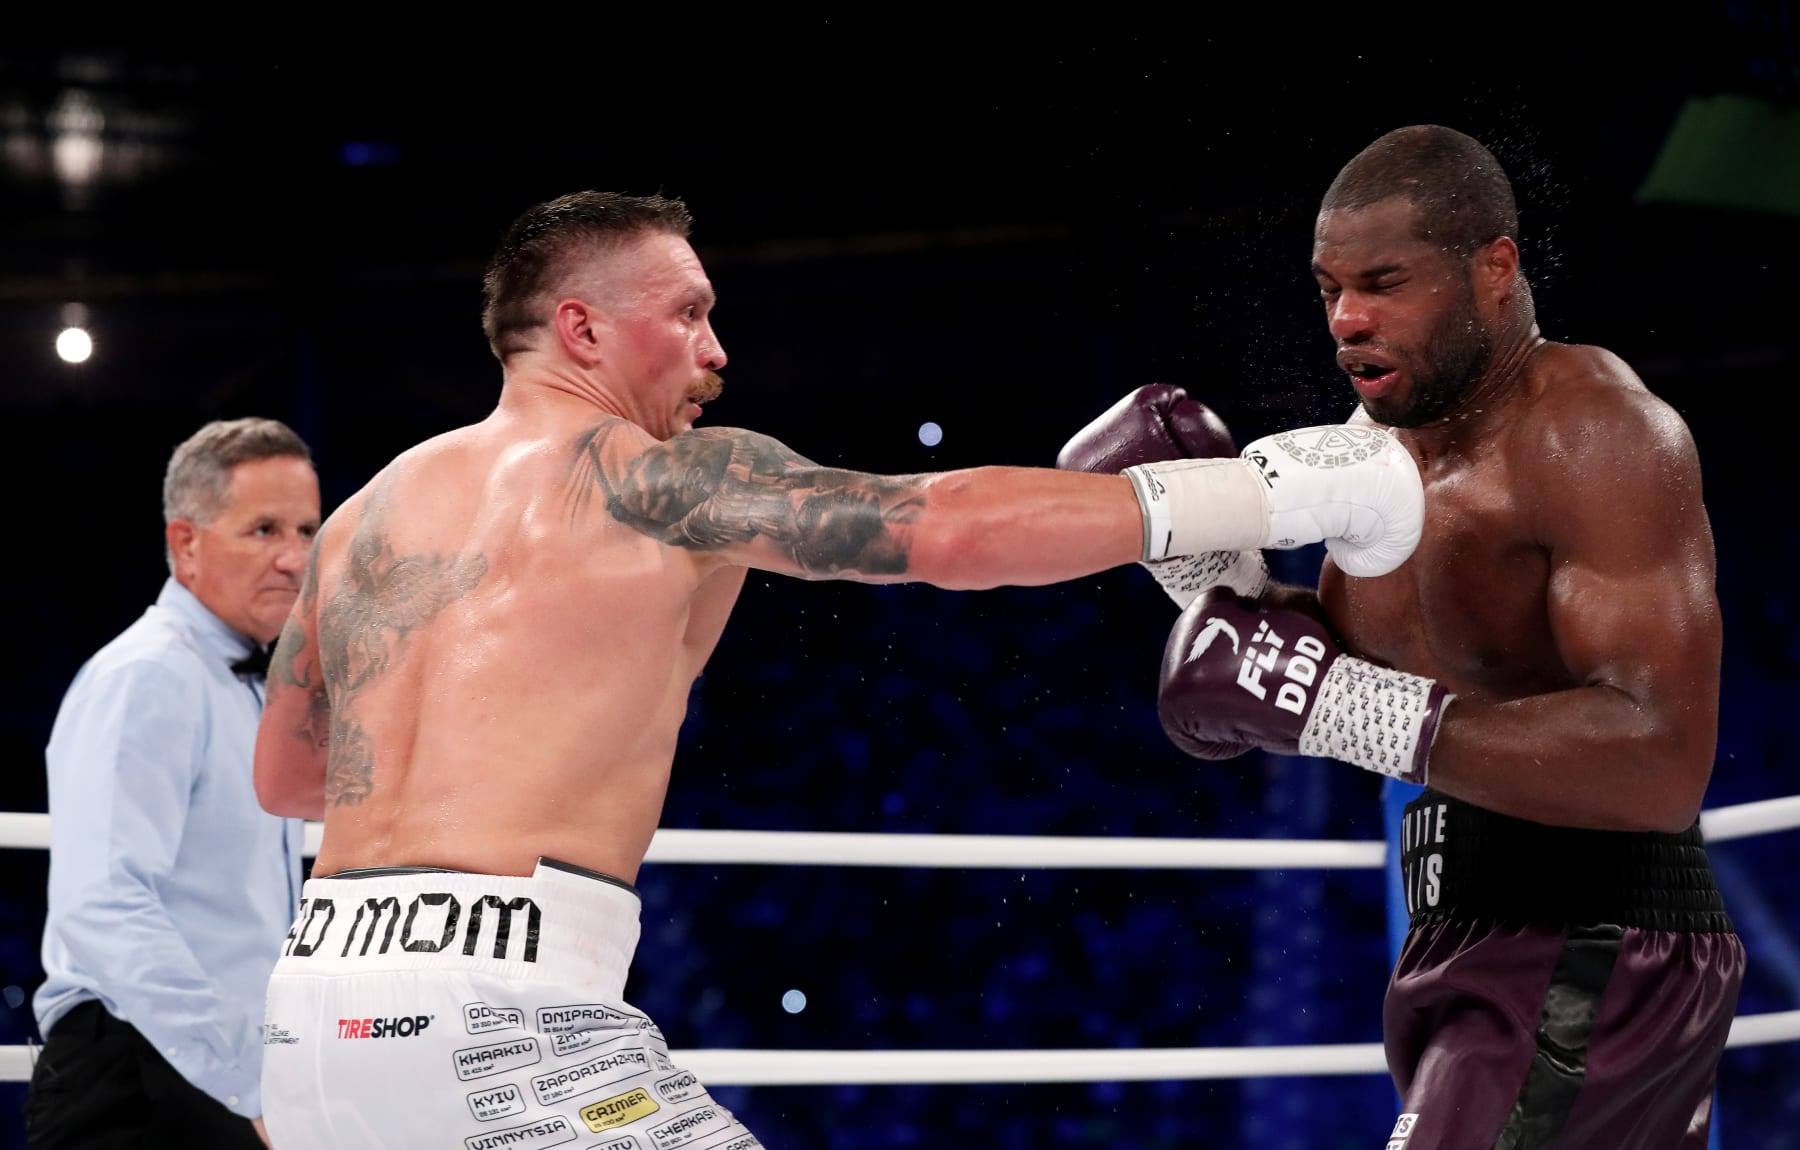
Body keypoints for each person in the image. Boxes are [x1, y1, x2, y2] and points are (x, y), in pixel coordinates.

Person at [249, 189, 1426, 1148]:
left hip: (311, 1028)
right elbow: (945, 529)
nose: (717, 350)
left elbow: (290, 777)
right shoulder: (656, 478)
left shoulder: (361, 518)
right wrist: (1262, 495)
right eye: (688, 312)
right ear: (582, 328)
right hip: (504, 1019)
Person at [1066, 125, 1744, 1148]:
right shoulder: (1368, 454)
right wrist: (1215, 582)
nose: (1347, 319)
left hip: (1594, 941)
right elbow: (1341, 674)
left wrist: (1332, 704)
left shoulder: (1592, 432)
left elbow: (1661, 761)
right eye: (1330, 287)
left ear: (1495, 269)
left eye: (1385, 283)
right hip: (1458, 932)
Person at [28, 418, 319, 1149]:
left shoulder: (248, 683)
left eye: (307, 530)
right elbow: (104, 905)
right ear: (185, 544)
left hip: (211, 1068)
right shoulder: (149, 676)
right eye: (263, 530)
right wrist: (243, 1075)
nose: (295, 558)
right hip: (143, 1071)